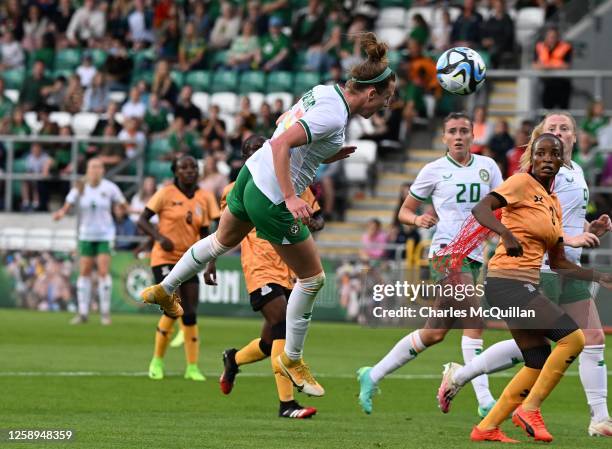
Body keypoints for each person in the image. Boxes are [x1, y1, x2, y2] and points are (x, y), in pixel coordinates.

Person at [139, 31, 396, 397]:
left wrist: (324, 153)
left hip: (248, 178)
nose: (380, 108)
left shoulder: (325, 91)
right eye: (382, 102)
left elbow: (284, 126)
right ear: (371, 93)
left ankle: (165, 289)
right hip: (271, 195)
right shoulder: (335, 115)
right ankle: (292, 358)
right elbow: (280, 142)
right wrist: (291, 197)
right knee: (313, 279)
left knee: (217, 242)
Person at [439, 112, 612, 437]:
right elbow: (489, 211)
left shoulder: (564, 186)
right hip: (523, 276)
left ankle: (489, 424)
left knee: (550, 349)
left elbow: (558, 237)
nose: (549, 155)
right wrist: (507, 236)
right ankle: (526, 407)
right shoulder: (525, 180)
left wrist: (594, 255)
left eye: (563, 132)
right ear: (535, 148)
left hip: (555, 271)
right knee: (566, 340)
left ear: (571, 141)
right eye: (547, 139)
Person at [356, 112, 503, 416]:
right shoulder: (433, 170)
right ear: (444, 138)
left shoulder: (488, 167)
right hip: (447, 253)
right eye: (453, 131)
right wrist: (418, 218)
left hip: (474, 256)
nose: (459, 136)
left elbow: (502, 205)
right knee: (475, 320)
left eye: (464, 130)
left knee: (434, 333)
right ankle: (485, 401)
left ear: (473, 135)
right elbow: (405, 212)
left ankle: (372, 374)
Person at [217, 135, 322, 418]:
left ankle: (234, 359)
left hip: (290, 268)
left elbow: (318, 217)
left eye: (261, 150)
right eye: (250, 152)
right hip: (259, 267)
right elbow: (224, 231)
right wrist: (210, 260)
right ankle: (286, 404)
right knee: (282, 324)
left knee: (269, 342)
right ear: (243, 158)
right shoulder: (235, 189)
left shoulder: (295, 183)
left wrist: (312, 220)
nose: (257, 155)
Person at [137, 155, 213, 382]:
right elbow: (142, 220)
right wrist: (158, 237)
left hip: (189, 260)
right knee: (174, 306)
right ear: (175, 171)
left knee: (190, 313)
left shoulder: (203, 198)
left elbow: (206, 234)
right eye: (184, 167)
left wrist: (211, 262)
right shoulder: (165, 193)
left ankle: (192, 367)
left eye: (193, 167)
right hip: (164, 258)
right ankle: (157, 361)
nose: (190, 171)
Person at [53, 158, 128, 325]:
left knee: (103, 271)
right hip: (86, 234)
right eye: (92, 167)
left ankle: (105, 313)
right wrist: (61, 213)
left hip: (105, 234)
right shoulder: (80, 186)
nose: (95, 170)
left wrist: (128, 211)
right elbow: (68, 204)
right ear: (87, 169)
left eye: (99, 167)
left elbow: (123, 204)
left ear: (103, 170)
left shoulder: (109, 188)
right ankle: (83, 312)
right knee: (84, 271)